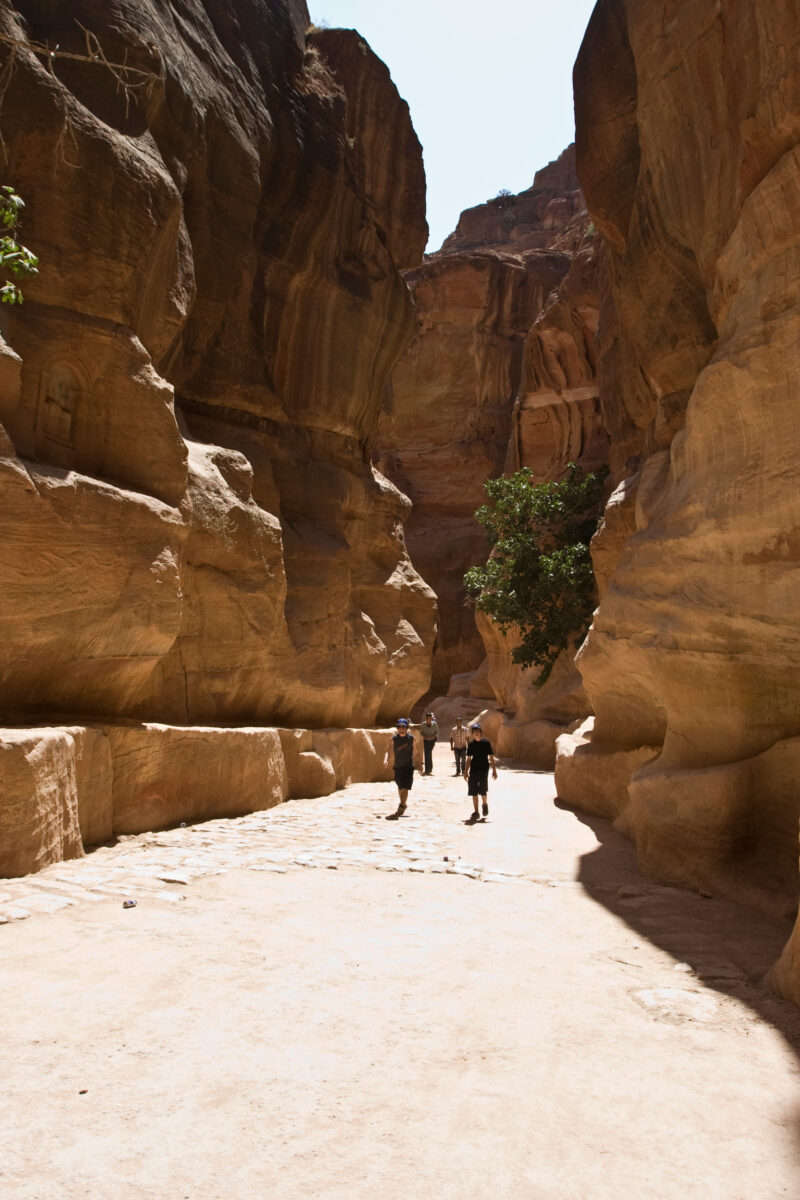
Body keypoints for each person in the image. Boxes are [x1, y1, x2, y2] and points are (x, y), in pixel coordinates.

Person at [383, 718, 423, 819]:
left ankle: (402, 805)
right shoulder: (394, 739)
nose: (401, 728)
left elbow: (417, 751)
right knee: (400, 786)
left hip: (408, 766)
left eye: (403, 726)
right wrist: (386, 760)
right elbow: (388, 751)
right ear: (397, 727)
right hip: (398, 766)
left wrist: (421, 764)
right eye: (399, 726)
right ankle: (403, 803)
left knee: (405, 787)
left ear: (406, 727)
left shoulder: (411, 738)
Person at [463, 723, 497, 822]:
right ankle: (476, 812)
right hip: (474, 770)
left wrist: (494, 771)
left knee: (483, 789)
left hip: (483, 769)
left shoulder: (486, 743)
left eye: (478, 731)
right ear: (473, 734)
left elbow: (491, 757)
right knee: (473, 790)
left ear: (481, 732)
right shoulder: (471, 745)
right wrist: (466, 772)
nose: (476, 733)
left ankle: (484, 804)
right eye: (474, 732)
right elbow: (469, 759)